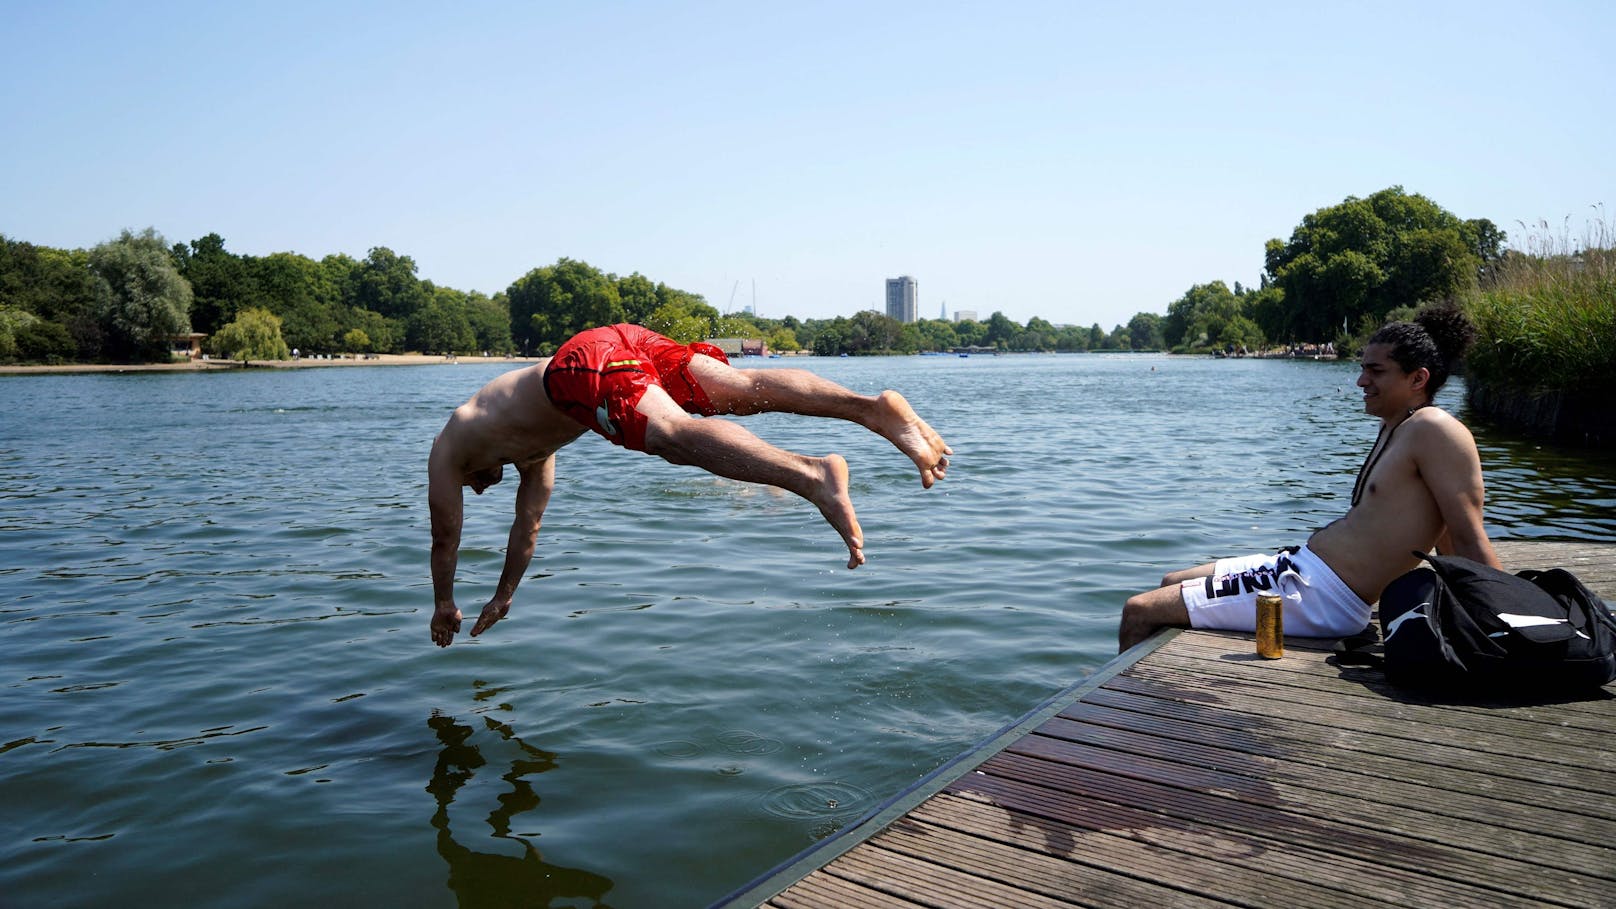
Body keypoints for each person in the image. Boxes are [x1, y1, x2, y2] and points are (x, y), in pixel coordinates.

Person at [429, 323, 952, 648]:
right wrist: (502, 597)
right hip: (614, 344)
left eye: (477, 489)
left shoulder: (450, 451)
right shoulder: (535, 455)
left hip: (581, 366)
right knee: (744, 390)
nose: (478, 492)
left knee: (672, 437)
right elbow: (528, 529)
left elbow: (445, 540)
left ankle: (811, 476)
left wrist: (444, 604)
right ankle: (872, 411)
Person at [1118, 304, 1501, 652]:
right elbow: (1446, 535)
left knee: (1139, 611)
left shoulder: (1435, 429)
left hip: (1323, 597)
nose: (1361, 382)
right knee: (1171, 580)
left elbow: (1467, 535)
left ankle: (1121, 723)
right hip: (1300, 570)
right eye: (1362, 368)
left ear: (1418, 379)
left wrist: (1502, 620)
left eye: (1376, 371)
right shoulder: (1399, 426)